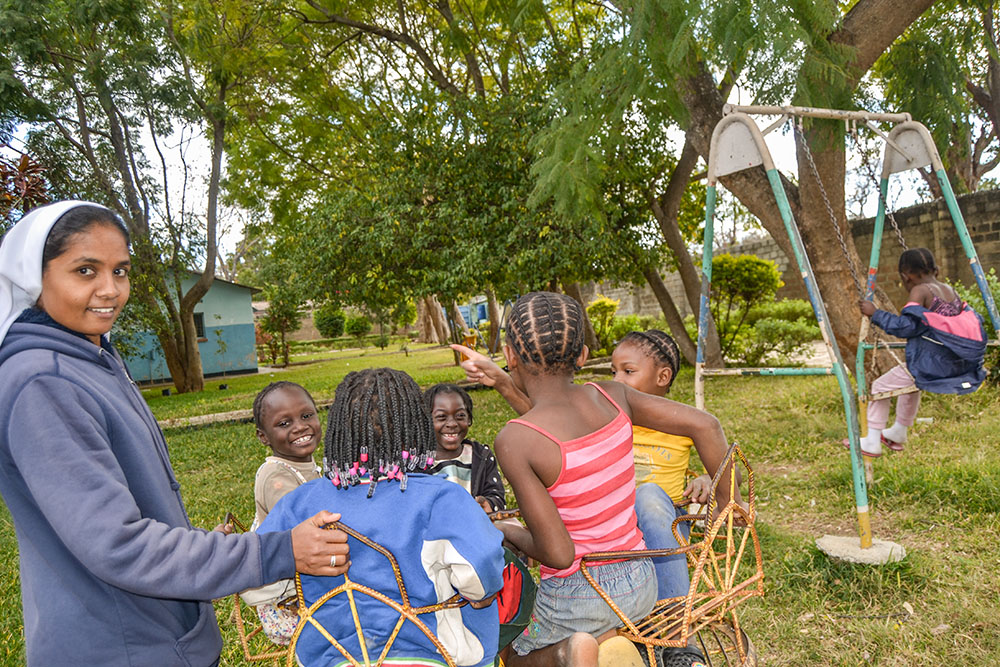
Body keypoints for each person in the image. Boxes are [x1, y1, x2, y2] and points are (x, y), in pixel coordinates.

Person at [0, 201, 350, 666]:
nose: (110, 290)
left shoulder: (93, 359)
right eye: (85, 271)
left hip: (156, 632)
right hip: (121, 647)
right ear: (33, 277)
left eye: (120, 271)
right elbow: (117, 544)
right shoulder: (46, 381)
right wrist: (277, 551)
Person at [452, 292, 739, 667]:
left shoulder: (515, 440)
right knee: (598, 627)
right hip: (641, 581)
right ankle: (610, 644)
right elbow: (706, 424)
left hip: (578, 594)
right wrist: (729, 501)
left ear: (510, 356)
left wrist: (509, 530)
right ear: (583, 356)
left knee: (512, 656)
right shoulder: (614, 395)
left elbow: (558, 553)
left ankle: (573, 649)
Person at [259, 368, 505, 667]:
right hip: (431, 655)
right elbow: (481, 576)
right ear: (418, 427)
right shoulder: (443, 497)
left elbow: (259, 584)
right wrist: (483, 592)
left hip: (332, 658)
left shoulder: (297, 502)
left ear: (338, 429)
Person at [611, 331, 713, 602]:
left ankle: (674, 615)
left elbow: (731, 470)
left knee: (647, 494)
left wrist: (707, 477)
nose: (617, 381)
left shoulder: (683, 422)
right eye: (614, 372)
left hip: (666, 523)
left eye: (628, 371)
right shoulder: (610, 419)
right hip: (614, 523)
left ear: (662, 377)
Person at [857, 247, 987, 456]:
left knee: (879, 386)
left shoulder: (920, 291)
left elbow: (907, 327)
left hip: (931, 364)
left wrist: (876, 314)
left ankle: (872, 440)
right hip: (952, 362)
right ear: (935, 269)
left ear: (905, 276)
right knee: (911, 385)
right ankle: (899, 431)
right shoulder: (950, 290)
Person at [244, 381, 325, 644]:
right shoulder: (276, 476)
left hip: (305, 582)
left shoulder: (311, 466)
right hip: (286, 603)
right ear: (263, 437)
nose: (300, 427)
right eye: (284, 423)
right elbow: (308, 529)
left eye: (306, 416)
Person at [424, 383, 506, 512]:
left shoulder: (481, 455)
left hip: (479, 527)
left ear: (469, 419)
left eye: (460, 416)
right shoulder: (417, 462)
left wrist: (488, 504)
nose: (452, 423)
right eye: (441, 417)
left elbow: (497, 496)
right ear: (425, 421)